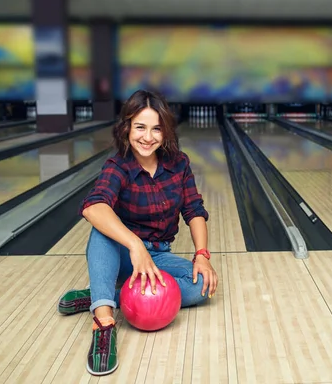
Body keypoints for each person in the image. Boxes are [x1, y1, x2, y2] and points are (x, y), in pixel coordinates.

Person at [56, 89, 218, 376]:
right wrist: (135, 245)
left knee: (200, 287)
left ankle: (102, 294)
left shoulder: (179, 164)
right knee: (101, 230)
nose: (148, 137)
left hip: (159, 256)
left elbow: (194, 210)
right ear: (127, 128)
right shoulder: (118, 166)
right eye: (140, 127)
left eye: (156, 128)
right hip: (123, 254)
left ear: (165, 131)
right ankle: (103, 322)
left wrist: (202, 256)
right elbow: (93, 206)